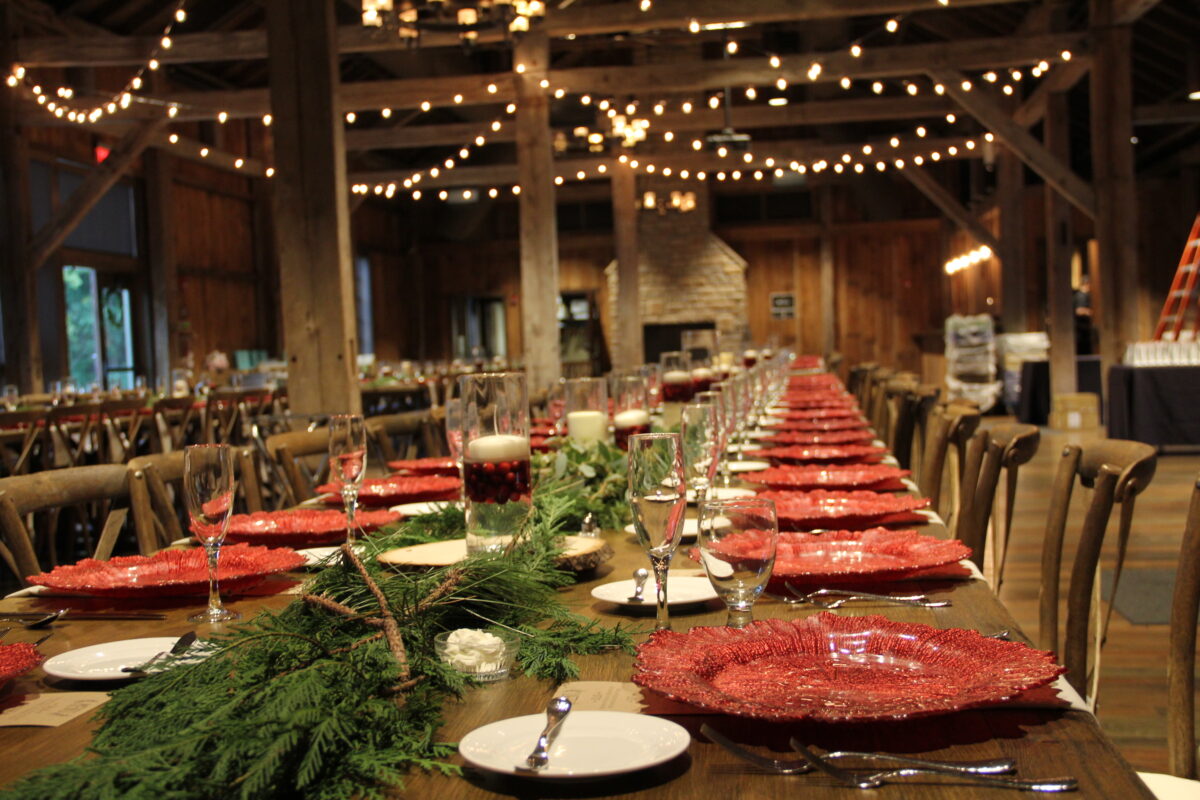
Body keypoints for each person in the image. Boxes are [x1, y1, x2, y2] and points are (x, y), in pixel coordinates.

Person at [1073, 275, 1096, 355]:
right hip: (1081, 329)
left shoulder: (1082, 295)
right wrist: (1090, 312)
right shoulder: (1081, 296)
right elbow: (1079, 311)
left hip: (1083, 329)